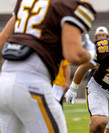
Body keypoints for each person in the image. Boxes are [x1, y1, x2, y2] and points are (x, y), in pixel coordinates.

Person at [0, 0, 96, 132]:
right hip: (32, 85)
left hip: (4, 83)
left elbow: (2, 42)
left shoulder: (27, 2)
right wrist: (90, 54)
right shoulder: (68, 5)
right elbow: (74, 56)